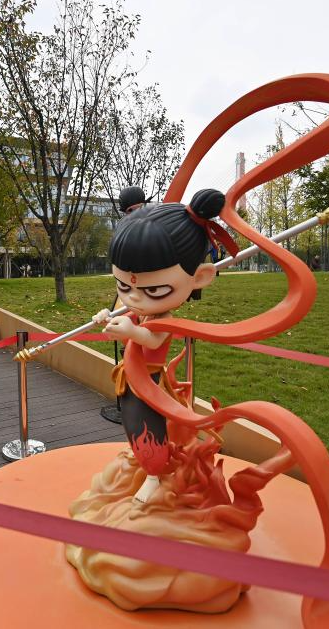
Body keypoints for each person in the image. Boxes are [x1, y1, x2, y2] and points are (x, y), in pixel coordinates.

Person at [92, 189, 232, 502]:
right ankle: (146, 463)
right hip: (130, 378)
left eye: (154, 290)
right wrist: (107, 317)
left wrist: (132, 331)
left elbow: (153, 339)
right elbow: (126, 322)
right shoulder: (138, 311)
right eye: (123, 286)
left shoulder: (164, 317)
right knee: (131, 423)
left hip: (150, 382)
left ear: (200, 278)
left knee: (147, 425)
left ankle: (154, 475)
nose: (134, 297)